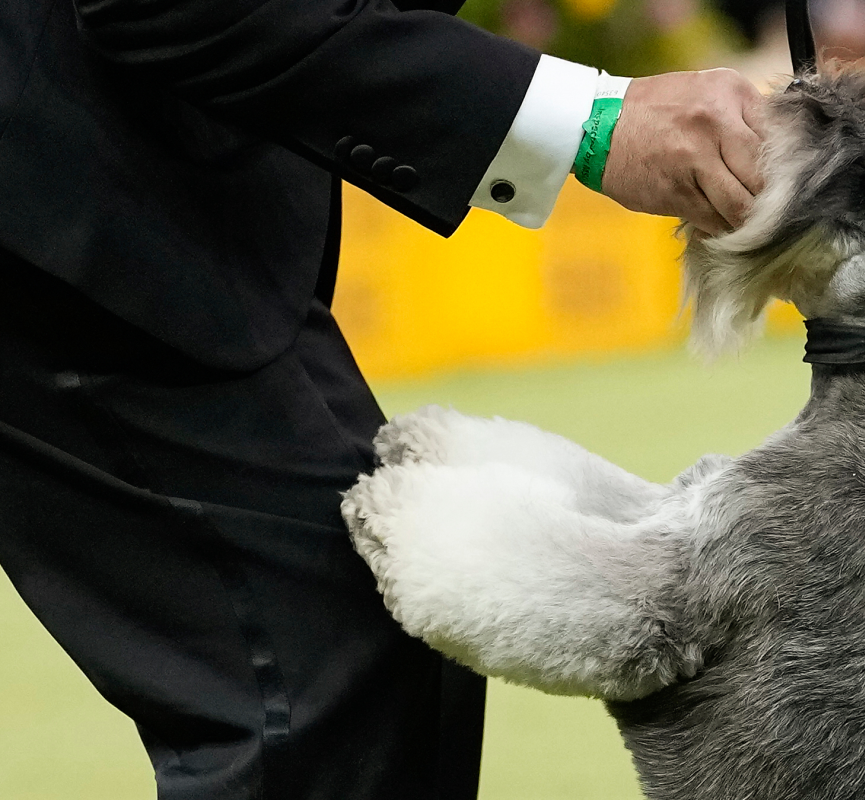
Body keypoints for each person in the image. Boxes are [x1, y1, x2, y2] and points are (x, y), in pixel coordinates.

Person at [0, 1, 765, 798]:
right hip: (59, 194)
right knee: (325, 666)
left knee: (372, 635)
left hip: (140, 181)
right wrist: (592, 121)